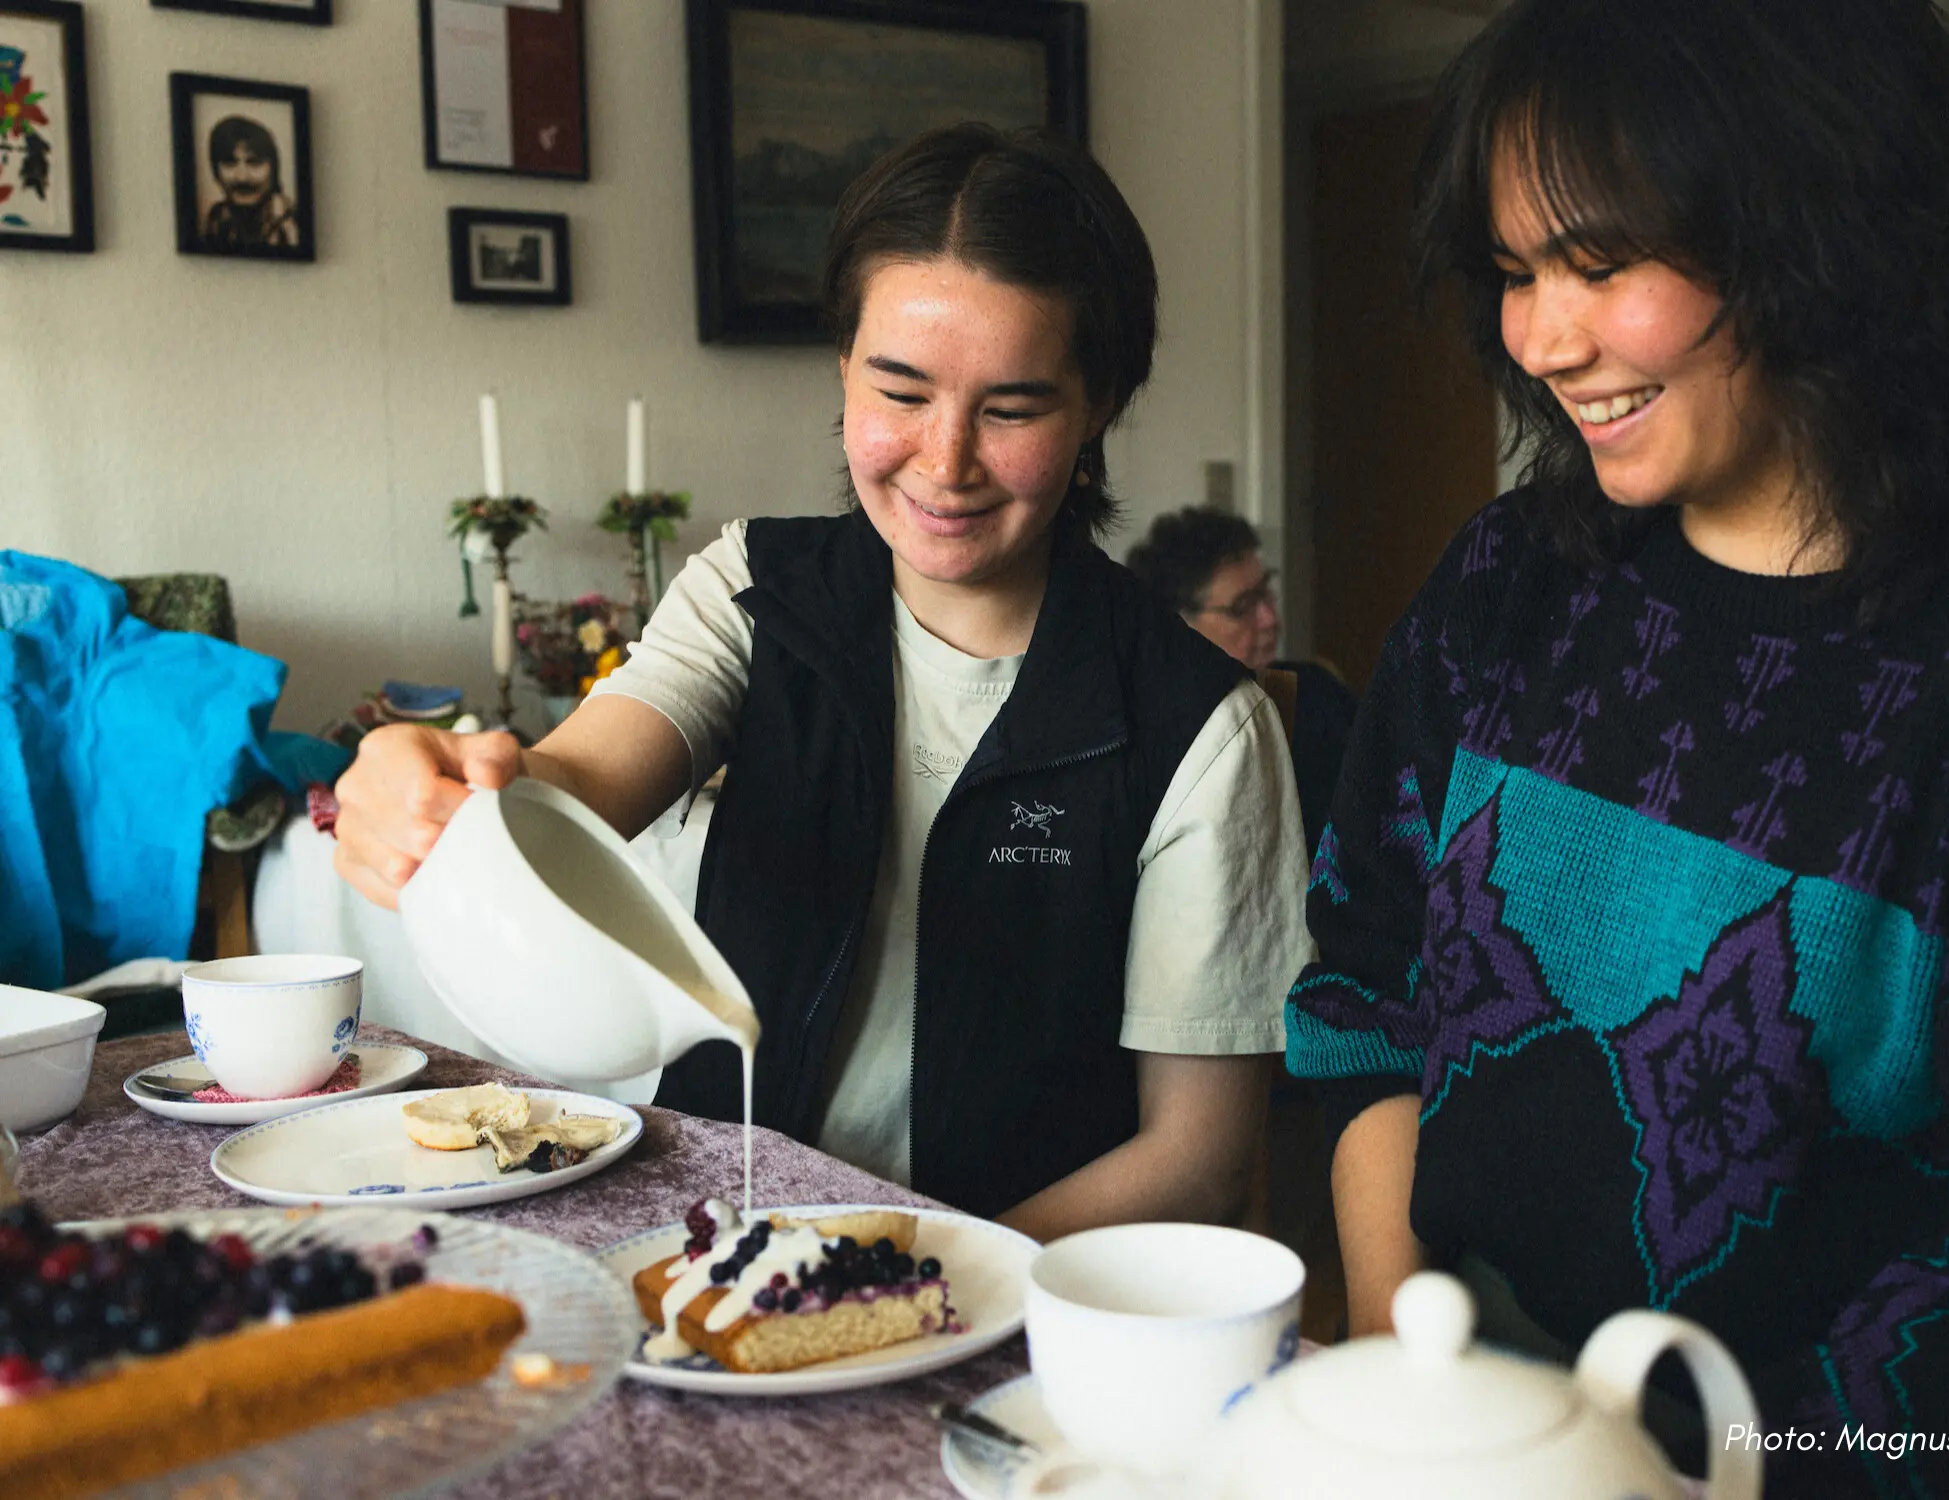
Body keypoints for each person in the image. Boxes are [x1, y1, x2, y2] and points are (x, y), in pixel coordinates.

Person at [1284, 1, 1949, 1495]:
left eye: (1602, 262)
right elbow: (1368, 987)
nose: (1543, 340)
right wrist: (1404, 1376)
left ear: (1822, 231)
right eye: (1516, 272)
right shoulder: (1504, 585)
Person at [335, 124, 1310, 1241]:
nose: (945, 462)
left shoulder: (1201, 727)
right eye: (901, 391)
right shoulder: (754, 590)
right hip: (707, 1252)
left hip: (1004, 1288)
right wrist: (446, 788)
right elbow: (570, 792)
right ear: (844, 367)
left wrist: (903, 1273)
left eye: (1011, 409)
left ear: (1098, 407)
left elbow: (1197, 1161)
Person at [1126, 507, 1357, 852]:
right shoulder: (1147, 738)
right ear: (1178, 626)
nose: (1269, 618)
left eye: (1266, 593)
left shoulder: (1319, 693)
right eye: (1243, 606)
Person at [200, 116, 298, 250]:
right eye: (230, 163)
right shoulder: (216, 217)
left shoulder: (293, 221)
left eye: (255, 163)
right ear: (215, 171)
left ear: (273, 169)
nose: (242, 177)